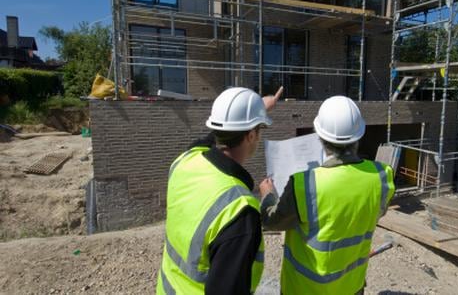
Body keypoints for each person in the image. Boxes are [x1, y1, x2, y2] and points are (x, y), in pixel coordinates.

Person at [259, 95, 396, 295]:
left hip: (306, 289)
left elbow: (272, 222)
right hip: (351, 286)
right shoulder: (382, 176)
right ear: (359, 135)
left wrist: (268, 195)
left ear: (319, 136)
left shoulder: (304, 184)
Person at [157, 86, 283, 295]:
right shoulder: (239, 211)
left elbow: (214, 137)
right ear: (251, 136)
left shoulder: (185, 160)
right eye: (259, 130)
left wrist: (257, 110)